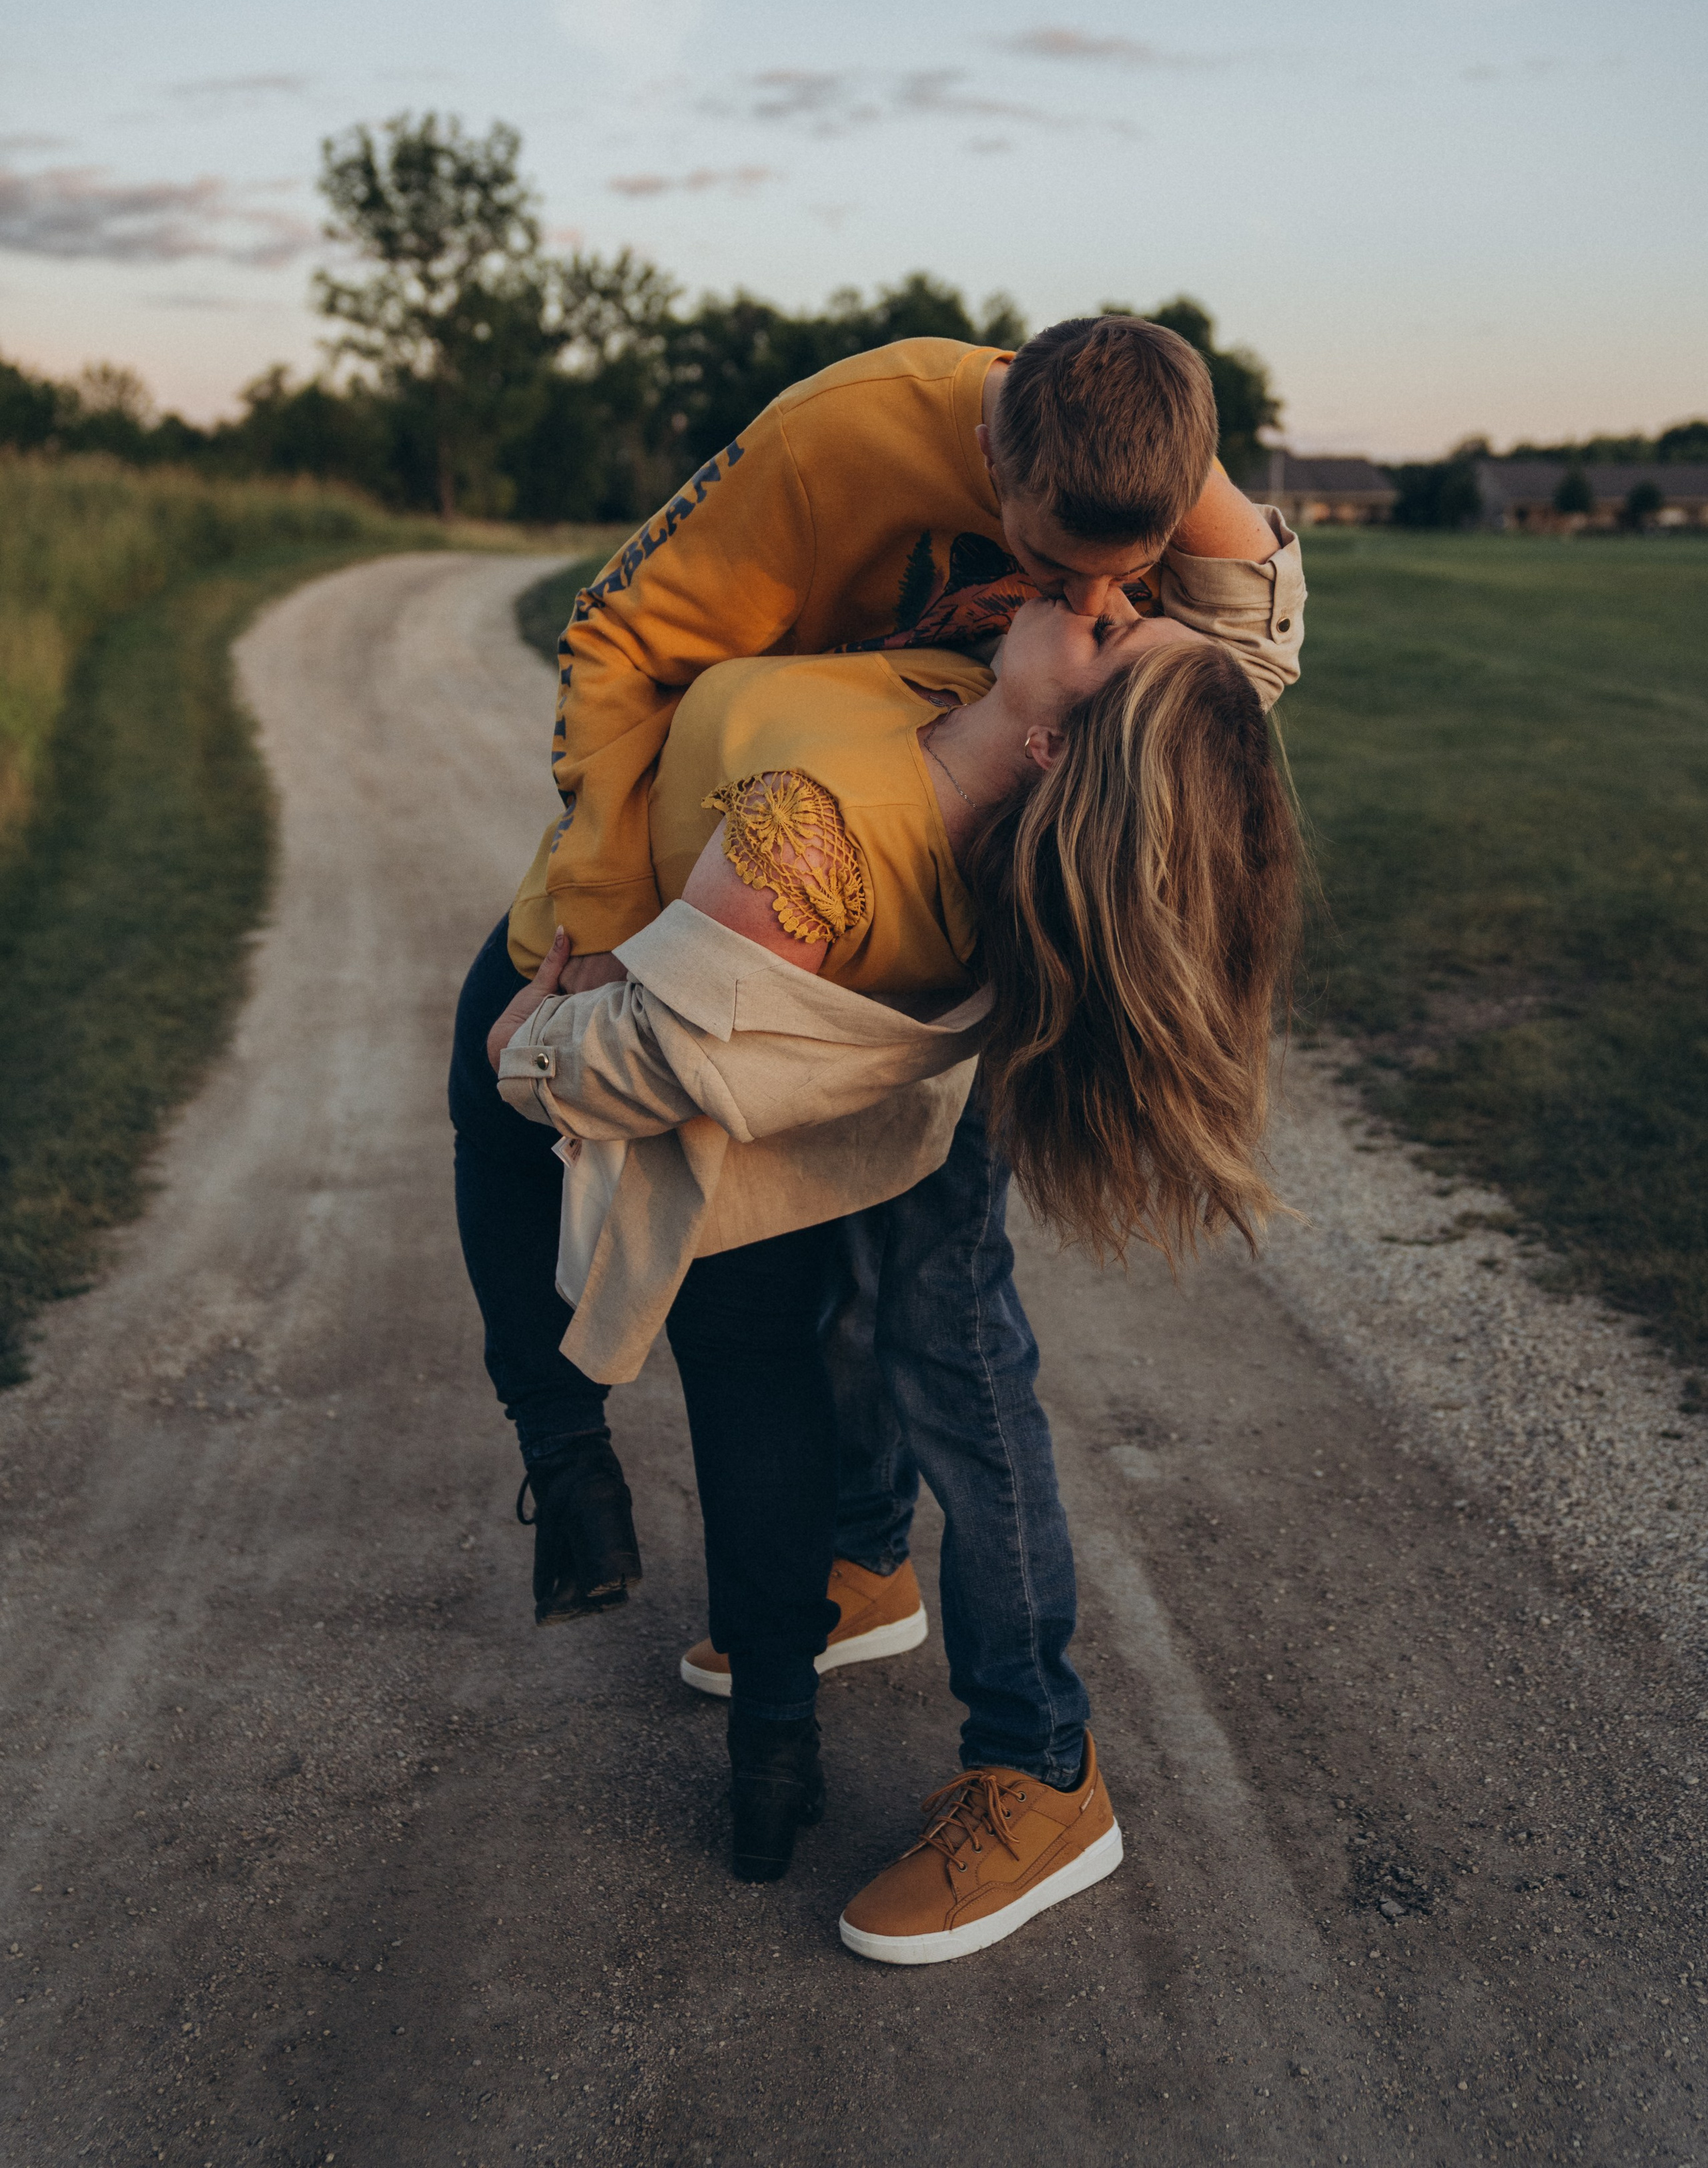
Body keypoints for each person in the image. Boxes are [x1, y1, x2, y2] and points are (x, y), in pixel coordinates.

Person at [448, 314, 1305, 1647]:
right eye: (1050, 568)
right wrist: (609, 922)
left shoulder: (1148, 477)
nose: (1088, 603)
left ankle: (977, 1695)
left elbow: (1246, 655)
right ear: (992, 460)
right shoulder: (838, 439)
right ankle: (766, 1540)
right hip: (801, 849)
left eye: (1125, 583)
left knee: (904, 1300)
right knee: (845, 1287)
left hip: (914, 888)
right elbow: (618, 640)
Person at [489, 594, 1301, 1957]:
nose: (1113, 598)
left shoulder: (900, 816)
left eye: (1120, 633)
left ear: (1053, 752)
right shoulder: (1060, 708)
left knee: (951, 1341)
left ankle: (1041, 1768)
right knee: (866, 1278)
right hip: (937, 1005)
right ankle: (866, 1559)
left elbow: (666, 1051)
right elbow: (1252, 607)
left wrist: (523, 1054)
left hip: (924, 1017)